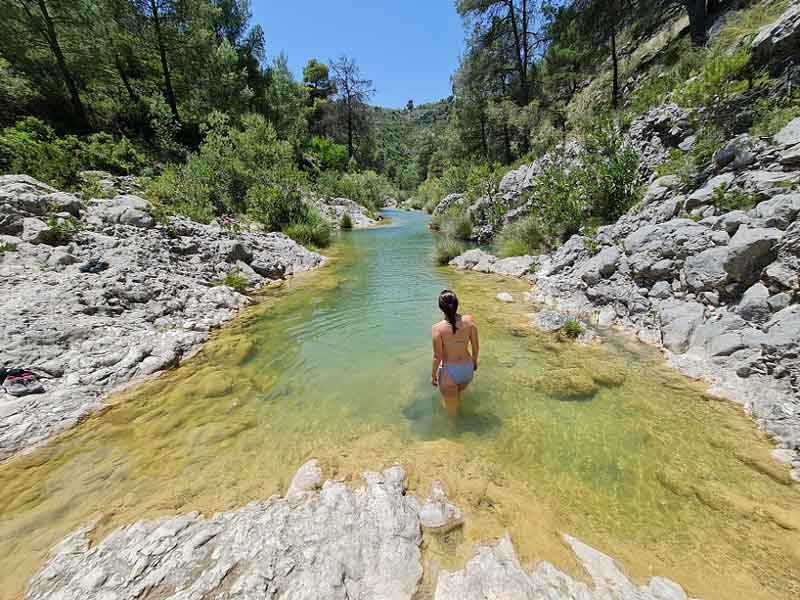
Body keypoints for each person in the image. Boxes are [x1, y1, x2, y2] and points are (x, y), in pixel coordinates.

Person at [431, 290, 479, 417]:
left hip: (449, 373)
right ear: (457, 304)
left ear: (441, 308)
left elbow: (438, 357)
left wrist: (433, 375)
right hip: (467, 370)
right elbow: (475, 346)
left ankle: (452, 434)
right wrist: (474, 362)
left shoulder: (437, 328)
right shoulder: (469, 321)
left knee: (451, 413)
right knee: (456, 396)